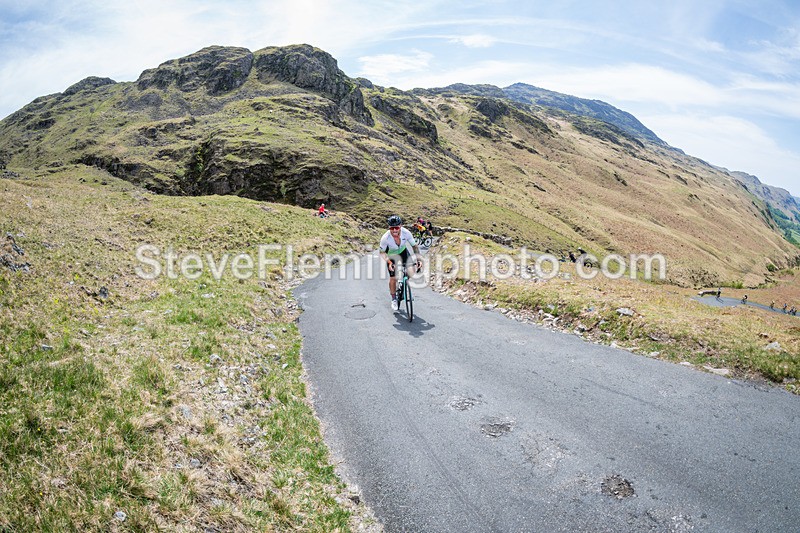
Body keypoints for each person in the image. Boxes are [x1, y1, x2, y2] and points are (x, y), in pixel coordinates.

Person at [380, 215, 422, 311]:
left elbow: (414, 246)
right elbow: (382, 252)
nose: (394, 230)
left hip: (403, 252)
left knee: (411, 270)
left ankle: (404, 284)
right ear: (389, 228)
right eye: (392, 228)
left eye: (397, 227)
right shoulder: (385, 238)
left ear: (400, 226)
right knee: (393, 278)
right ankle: (394, 299)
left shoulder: (406, 233)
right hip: (391, 256)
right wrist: (389, 262)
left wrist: (418, 259)